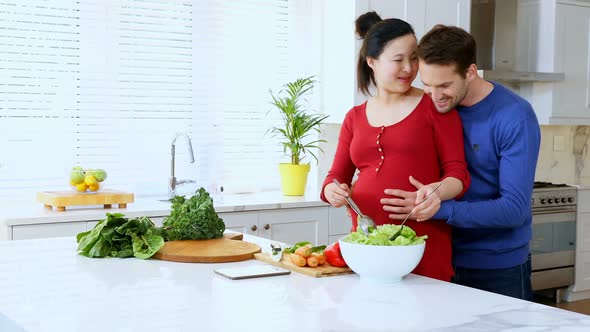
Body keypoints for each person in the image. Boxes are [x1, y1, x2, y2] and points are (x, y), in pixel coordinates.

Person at [382, 25, 541, 300]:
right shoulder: (432, 107)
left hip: (496, 267)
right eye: (427, 85)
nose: (434, 96)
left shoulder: (514, 116)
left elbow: (514, 209)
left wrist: (438, 209)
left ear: (470, 72)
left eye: (444, 85)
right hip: (437, 259)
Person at [320, 12, 470, 282]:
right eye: (398, 60)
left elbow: (458, 175)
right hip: (366, 247)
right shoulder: (354, 117)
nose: (409, 68)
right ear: (372, 62)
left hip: (423, 245)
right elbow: (335, 178)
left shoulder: (434, 107)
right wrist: (332, 191)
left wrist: (433, 193)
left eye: (414, 58)